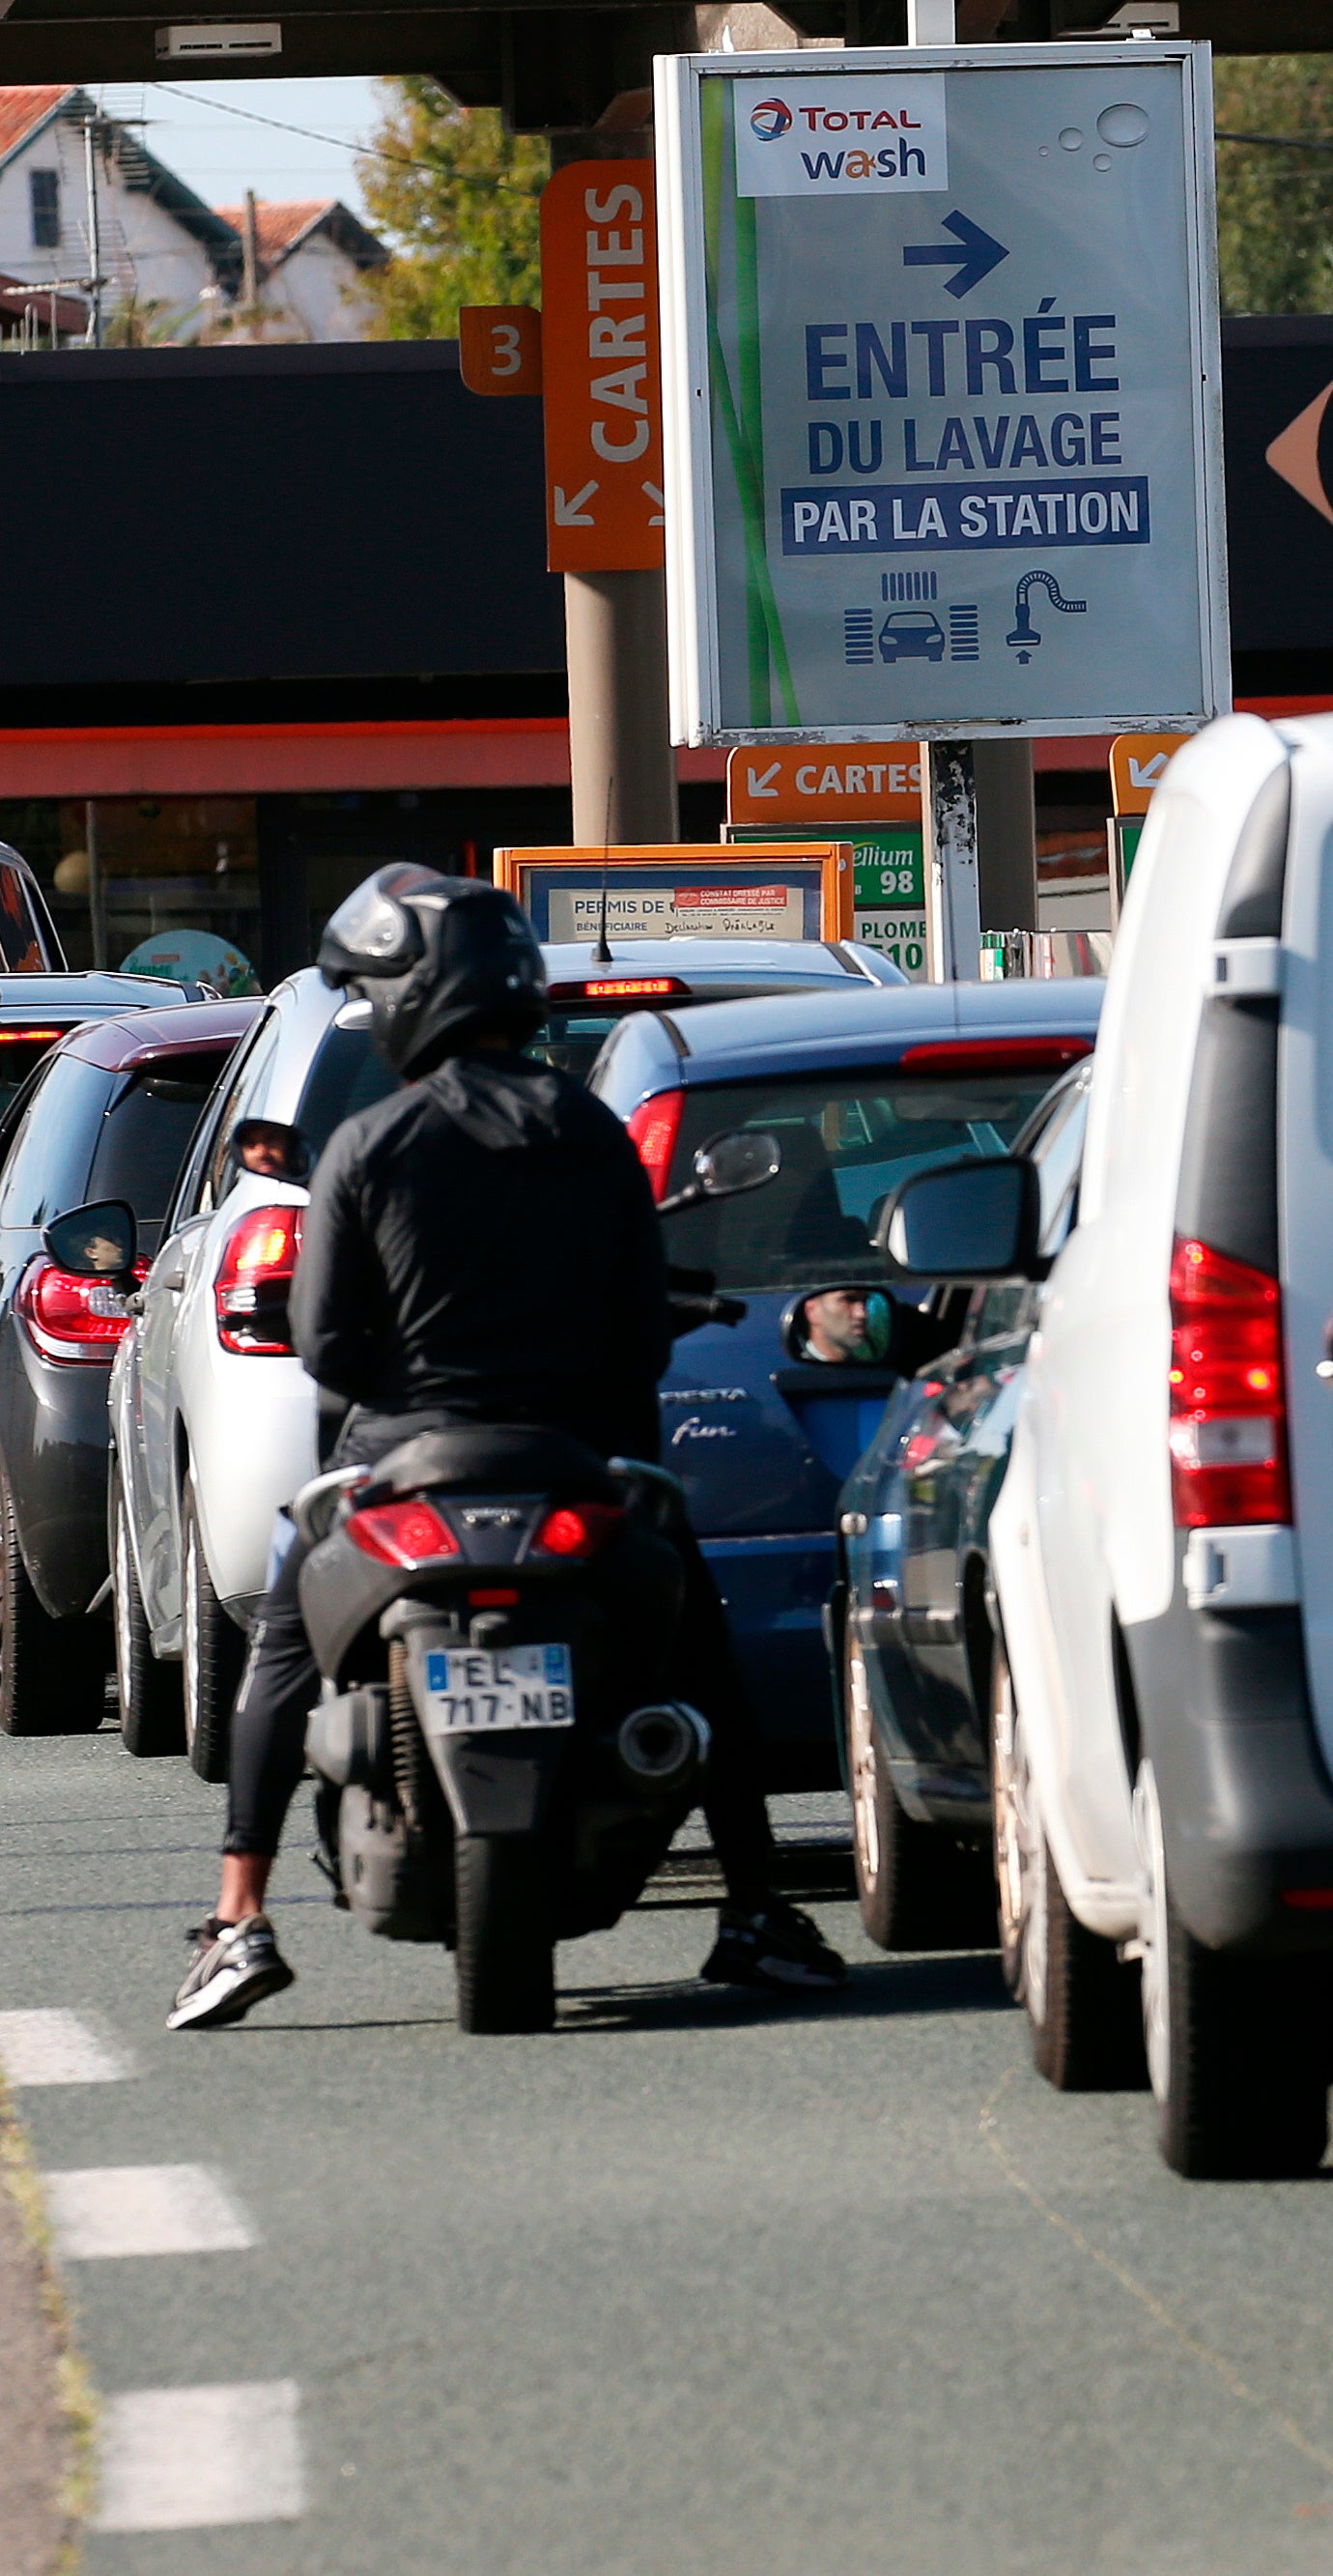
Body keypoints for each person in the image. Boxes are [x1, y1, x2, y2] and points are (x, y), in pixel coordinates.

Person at [168, 864, 849, 2030]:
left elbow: (327, 1346)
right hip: (577, 1465)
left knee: (281, 1646)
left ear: (412, 996)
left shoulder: (369, 1143)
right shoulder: (591, 1133)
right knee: (702, 1656)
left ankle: (239, 1917)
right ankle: (753, 1905)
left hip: (402, 1466)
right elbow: (642, 1333)